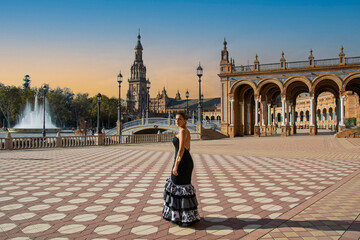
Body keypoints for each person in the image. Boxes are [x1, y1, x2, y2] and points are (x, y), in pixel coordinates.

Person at [162, 112, 200, 227]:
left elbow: (181, 150)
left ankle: (181, 216)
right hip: (186, 160)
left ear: (185, 120)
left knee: (177, 186)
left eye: (179, 119)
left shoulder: (183, 131)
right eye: (176, 119)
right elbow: (188, 148)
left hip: (182, 162)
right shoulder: (186, 131)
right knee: (182, 187)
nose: (177, 121)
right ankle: (185, 215)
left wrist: (176, 165)